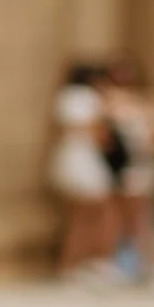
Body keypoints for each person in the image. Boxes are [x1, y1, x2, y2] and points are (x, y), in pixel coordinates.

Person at [100, 52, 154, 285]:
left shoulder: (146, 99)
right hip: (121, 164)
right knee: (124, 216)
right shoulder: (109, 99)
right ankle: (125, 262)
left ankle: (143, 263)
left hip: (140, 162)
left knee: (140, 216)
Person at [51, 61, 118, 279]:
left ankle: (74, 264)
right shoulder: (90, 99)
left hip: (69, 159)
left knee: (79, 218)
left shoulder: (65, 97)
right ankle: (91, 262)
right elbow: (99, 134)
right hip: (85, 162)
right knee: (96, 215)